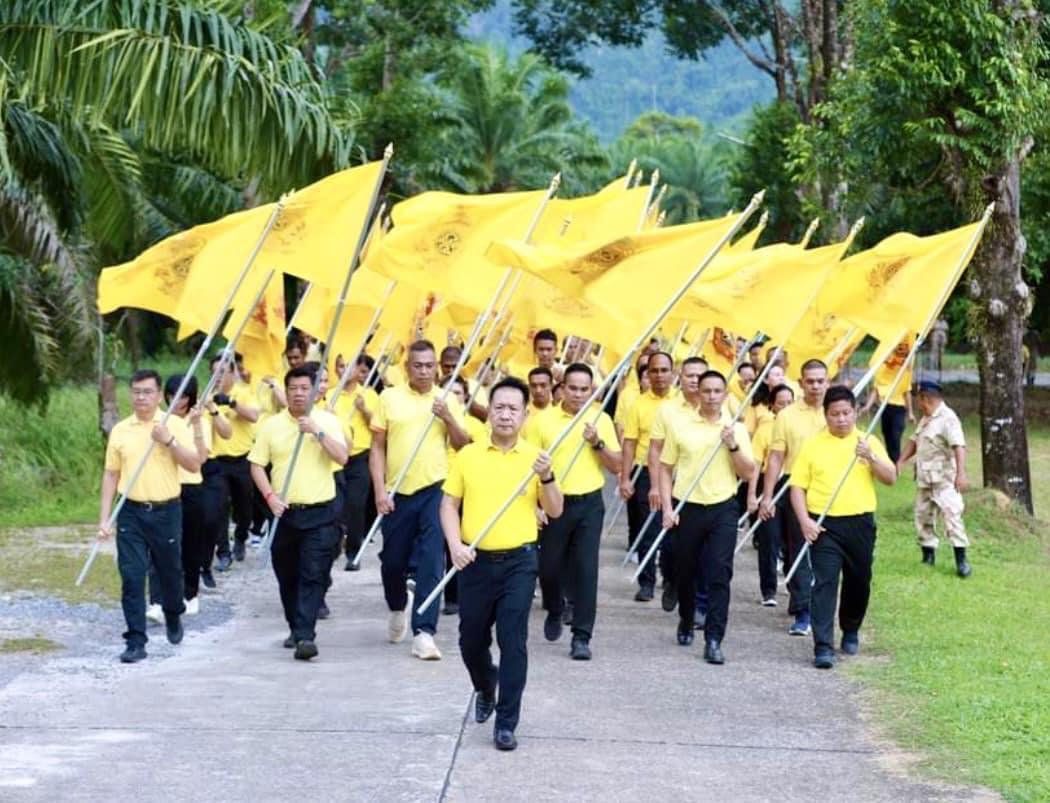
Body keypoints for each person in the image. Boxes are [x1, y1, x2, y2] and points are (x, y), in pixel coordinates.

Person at [442, 377, 563, 751]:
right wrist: (455, 545)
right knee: (470, 640)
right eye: (499, 407)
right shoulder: (468, 454)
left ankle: (507, 722)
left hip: (520, 562)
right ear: (488, 412)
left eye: (513, 409)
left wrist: (547, 476)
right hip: (475, 562)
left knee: (513, 640)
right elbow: (448, 505)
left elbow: (555, 510)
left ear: (525, 415)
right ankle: (485, 684)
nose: (506, 415)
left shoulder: (536, 458)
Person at [370, 340, 470, 660]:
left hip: (435, 489)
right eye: (418, 365)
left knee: (431, 560)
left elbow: (462, 444)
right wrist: (379, 491)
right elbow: (377, 447)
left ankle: (424, 632)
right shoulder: (388, 398)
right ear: (407, 367)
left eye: (429, 366)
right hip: (398, 491)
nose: (424, 371)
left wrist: (448, 418)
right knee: (393, 562)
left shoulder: (447, 398)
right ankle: (397, 606)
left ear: (436, 368)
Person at [98, 369, 204, 663]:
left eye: (147, 392)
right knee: (132, 577)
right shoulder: (121, 430)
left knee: (170, 573)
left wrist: (169, 441)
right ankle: (135, 640)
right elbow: (110, 474)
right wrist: (104, 519)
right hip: (131, 512)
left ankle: (173, 612)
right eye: (136, 391)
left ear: (159, 395)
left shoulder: (173, 425)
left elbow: (195, 465)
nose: (141, 397)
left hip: (166, 511)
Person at [789, 385, 896, 668]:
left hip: (860, 523)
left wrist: (870, 458)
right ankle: (823, 646)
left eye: (846, 413)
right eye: (835, 414)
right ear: (825, 415)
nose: (841, 419)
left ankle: (850, 627)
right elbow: (797, 487)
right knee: (824, 582)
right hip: (824, 525)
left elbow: (891, 478)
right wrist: (804, 521)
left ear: (855, 412)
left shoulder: (867, 441)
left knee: (858, 580)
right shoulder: (813, 445)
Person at [249, 365, 348, 660]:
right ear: (286, 391)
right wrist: (269, 496)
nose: (298, 394)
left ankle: (306, 635)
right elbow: (256, 465)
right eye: (293, 388)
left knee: (313, 574)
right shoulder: (271, 425)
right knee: (287, 575)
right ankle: (295, 626)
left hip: (321, 513)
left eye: (305, 388)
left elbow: (342, 456)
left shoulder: (327, 421)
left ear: (315, 391)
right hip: (285, 514)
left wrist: (316, 432)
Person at [659, 370, 755, 665]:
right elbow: (665, 468)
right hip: (687, 506)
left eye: (717, 391)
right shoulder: (680, 425)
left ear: (726, 395)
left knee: (719, 573)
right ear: (697, 394)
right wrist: (666, 507)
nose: (712, 396)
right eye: (707, 391)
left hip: (722, 507)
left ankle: (714, 638)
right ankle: (686, 619)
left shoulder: (735, 430)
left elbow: (749, 472)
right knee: (685, 571)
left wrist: (733, 446)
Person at [526, 362, 621, 660]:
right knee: (549, 567)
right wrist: (533, 506)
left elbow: (617, 466)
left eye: (584, 389)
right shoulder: (542, 421)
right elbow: (527, 468)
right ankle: (555, 608)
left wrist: (597, 442)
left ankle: (582, 636)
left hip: (589, 504)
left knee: (585, 569)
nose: (579, 395)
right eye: (573, 388)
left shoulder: (600, 419)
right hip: (554, 502)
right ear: (562, 388)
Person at [759, 358, 829, 637]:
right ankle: (802, 610)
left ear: (828, 382)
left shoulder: (836, 411)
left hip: (828, 488)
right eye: (809, 381)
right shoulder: (787, 416)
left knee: (825, 552)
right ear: (800, 383)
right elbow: (775, 457)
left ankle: (821, 605)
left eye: (820, 380)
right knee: (798, 549)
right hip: (794, 486)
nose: (815, 386)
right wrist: (767, 496)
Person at [151, 375, 230, 619]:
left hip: (192, 488)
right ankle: (157, 600)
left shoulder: (199, 421)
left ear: (191, 396)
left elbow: (203, 456)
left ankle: (190, 593)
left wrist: (196, 424)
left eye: (184, 395)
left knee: (191, 543)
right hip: (165, 488)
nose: (178, 401)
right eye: (173, 395)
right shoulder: (158, 421)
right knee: (162, 546)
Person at [648, 357, 708, 616]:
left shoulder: (724, 407)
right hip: (673, 486)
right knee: (673, 547)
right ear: (679, 377)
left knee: (704, 553)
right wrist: (655, 487)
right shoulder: (668, 410)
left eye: (699, 375)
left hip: (706, 490)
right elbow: (655, 450)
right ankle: (671, 579)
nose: (694, 380)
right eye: (689, 375)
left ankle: (698, 603)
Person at [897, 381, 972, 577]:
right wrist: (901, 461)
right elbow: (914, 440)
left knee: (952, 517)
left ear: (925, 398)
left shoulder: (948, 419)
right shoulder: (927, 419)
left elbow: (958, 446)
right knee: (923, 517)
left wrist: (961, 473)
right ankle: (928, 556)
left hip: (945, 480)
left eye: (918, 400)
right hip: (925, 479)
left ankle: (961, 561)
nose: (917, 404)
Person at [620, 351, 677, 601]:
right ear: (647, 374)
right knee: (648, 528)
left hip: (678, 472)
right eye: (654, 370)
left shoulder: (683, 402)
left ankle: (671, 579)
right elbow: (630, 443)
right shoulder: (638, 404)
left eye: (665, 370)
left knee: (675, 530)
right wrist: (624, 477)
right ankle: (646, 582)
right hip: (646, 472)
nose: (660, 376)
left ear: (673, 373)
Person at [205, 354, 259, 569]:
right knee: (218, 509)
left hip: (242, 459)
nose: (217, 378)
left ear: (232, 373)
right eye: (214, 373)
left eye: (221, 373)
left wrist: (232, 403)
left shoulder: (244, 392)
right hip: (217, 461)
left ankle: (241, 537)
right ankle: (223, 552)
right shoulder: (208, 396)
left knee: (244, 508)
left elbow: (254, 416)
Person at [746, 384, 795, 606]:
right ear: (772, 406)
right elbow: (756, 465)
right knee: (769, 538)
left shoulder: (799, 427)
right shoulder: (765, 430)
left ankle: (794, 582)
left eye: (789, 403)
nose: (785, 407)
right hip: (769, 485)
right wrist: (751, 496)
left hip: (794, 485)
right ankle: (769, 590)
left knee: (792, 538)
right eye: (781, 403)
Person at [331, 353, 379, 571]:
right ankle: (334, 545)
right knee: (336, 505)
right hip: (336, 457)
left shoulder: (367, 394)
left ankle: (354, 551)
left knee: (355, 505)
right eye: (340, 366)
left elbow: (378, 426)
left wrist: (364, 410)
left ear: (359, 369)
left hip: (360, 457)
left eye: (348, 366)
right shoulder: (331, 395)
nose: (343, 371)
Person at [861, 339, 914, 464]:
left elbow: (907, 393)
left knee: (896, 436)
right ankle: (891, 462)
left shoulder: (904, 374)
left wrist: (910, 412)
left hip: (899, 409)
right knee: (887, 435)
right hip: (884, 408)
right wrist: (867, 407)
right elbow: (875, 391)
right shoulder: (882, 373)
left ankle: (896, 463)